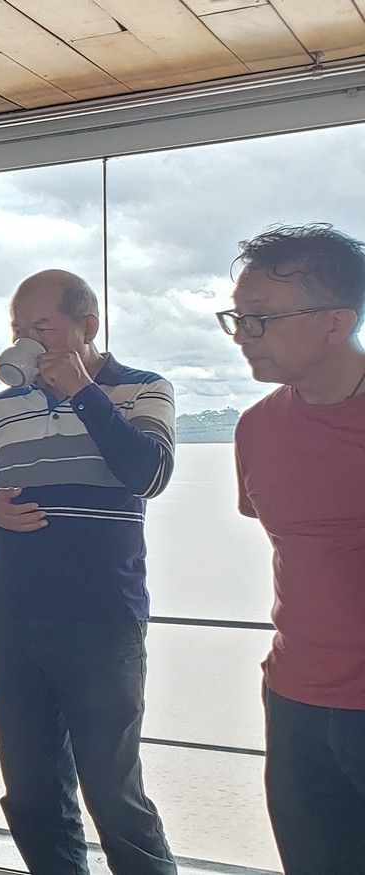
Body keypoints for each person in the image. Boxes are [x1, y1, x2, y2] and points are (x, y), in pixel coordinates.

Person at [0, 269, 178, 875]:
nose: (27, 340)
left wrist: (83, 392)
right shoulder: (3, 408)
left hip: (102, 621)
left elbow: (149, 475)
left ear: (88, 326)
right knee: (31, 794)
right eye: (18, 329)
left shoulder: (143, 389)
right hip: (10, 618)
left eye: (42, 328)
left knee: (115, 795)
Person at [225, 225, 365, 875]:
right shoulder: (256, 428)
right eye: (237, 318)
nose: (242, 335)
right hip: (295, 703)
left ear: (337, 320)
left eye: (261, 318)